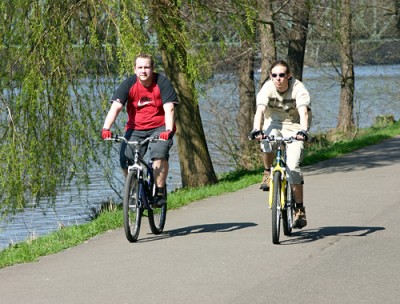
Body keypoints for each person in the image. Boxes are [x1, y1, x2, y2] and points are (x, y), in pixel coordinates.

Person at [101, 53, 178, 207]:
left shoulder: (161, 82)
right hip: (135, 128)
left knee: (159, 153)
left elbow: (169, 108)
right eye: (140, 67)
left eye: (147, 67)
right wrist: (106, 128)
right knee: (125, 159)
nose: (143, 71)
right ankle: (135, 188)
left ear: (152, 68)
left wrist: (168, 130)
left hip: (160, 127)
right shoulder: (129, 83)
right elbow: (116, 107)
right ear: (135, 69)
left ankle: (160, 191)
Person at [250, 59, 311, 228]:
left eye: (282, 75)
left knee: (293, 168)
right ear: (270, 76)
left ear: (288, 75)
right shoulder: (267, 88)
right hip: (274, 123)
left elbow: (303, 112)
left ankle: (299, 209)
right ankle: (268, 171)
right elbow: (260, 110)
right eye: (274, 75)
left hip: (295, 126)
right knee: (266, 140)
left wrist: (303, 132)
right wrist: (256, 129)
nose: (278, 78)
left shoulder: (298, 88)